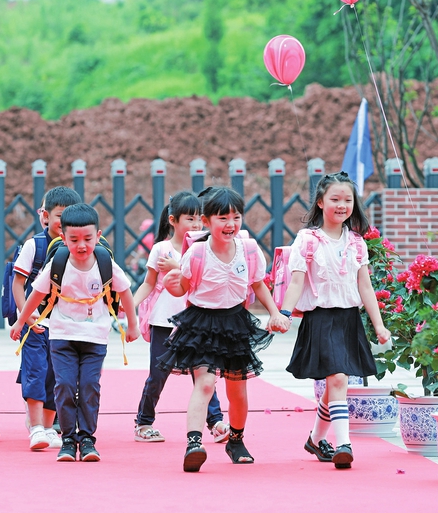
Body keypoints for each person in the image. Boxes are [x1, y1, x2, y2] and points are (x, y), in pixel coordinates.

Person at [158, 187, 291, 472]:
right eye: (222, 218)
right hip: (201, 323)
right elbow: (183, 286)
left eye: (236, 217)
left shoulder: (250, 249)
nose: (230, 224)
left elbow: (257, 284)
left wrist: (275, 312)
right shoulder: (195, 252)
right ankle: (194, 442)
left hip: (234, 323)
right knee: (204, 383)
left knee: (237, 391)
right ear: (206, 221)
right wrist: (174, 284)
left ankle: (236, 440)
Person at [279, 171, 391, 470]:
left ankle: (316, 439)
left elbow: (365, 286)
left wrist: (378, 325)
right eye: (335, 199)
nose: (342, 205)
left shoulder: (357, 243)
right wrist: (285, 313)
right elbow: (296, 282)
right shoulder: (308, 239)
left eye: (347, 200)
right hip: (321, 318)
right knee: (339, 379)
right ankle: (344, 444)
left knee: (334, 385)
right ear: (320, 202)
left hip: (348, 319)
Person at [9, 203, 139, 462]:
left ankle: (88, 439)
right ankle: (68, 439)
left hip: (95, 337)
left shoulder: (104, 262)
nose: (82, 245)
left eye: (88, 239)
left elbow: (124, 290)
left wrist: (132, 325)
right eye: (74, 239)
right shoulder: (58, 263)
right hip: (62, 335)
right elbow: (37, 294)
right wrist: (19, 322)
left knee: (90, 386)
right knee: (65, 386)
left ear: (98, 236)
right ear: (63, 238)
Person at [131, 190, 229, 444]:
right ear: (173, 220)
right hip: (164, 320)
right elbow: (149, 284)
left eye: (199, 219)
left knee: (204, 373)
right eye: (190, 218)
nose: (196, 224)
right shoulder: (161, 249)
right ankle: (144, 422)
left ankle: (215, 422)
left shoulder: (205, 247)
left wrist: (177, 268)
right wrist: (130, 305)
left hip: (196, 320)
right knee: (158, 373)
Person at [12, 186, 82, 450]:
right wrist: (26, 317)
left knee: (58, 376)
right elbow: (18, 284)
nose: (64, 224)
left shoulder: (80, 247)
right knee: (35, 372)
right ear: (46, 216)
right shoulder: (35, 246)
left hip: (64, 325)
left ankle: (50, 426)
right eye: (59, 217)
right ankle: (37, 427)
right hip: (36, 324)